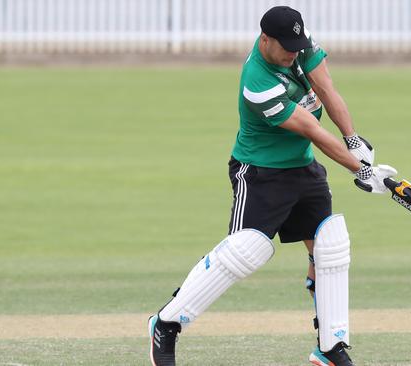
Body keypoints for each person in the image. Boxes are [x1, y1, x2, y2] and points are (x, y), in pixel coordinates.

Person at [148, 6, 396, 366]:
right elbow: (313, 130)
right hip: (261, 174)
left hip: (303, 169)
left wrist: (354, 140)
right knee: (246, 250)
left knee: (330, 247)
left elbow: (326, 89)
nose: (294, 54)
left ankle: (330, 347)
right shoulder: (258, 83)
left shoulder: (299, 43)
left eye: (298, 46)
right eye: (287, 48)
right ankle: (167, 323)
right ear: (265, 39)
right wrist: (361, 170)